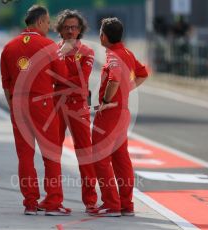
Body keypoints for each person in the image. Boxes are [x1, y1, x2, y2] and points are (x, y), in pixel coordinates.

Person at [0, 5, 71, 216]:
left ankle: (30, 203)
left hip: (18, 104)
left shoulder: (9, 47)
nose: (49, 27)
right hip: (42, 104)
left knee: (25, 155)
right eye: (48, 22)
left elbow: (6, 84)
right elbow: (64, 77)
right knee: (51, 154)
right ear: (39, 22)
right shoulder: (49, 45)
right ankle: (53, 202)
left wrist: (13, 106)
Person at [37, 9, 98, 213]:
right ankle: (53, 199)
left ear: (80, 30)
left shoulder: (87, 51)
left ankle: (90, 200)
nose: (71, 31)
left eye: (74, 27)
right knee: (52, 153)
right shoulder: (52, 50)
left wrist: (60, 77)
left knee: (85, 153)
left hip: (77, 105)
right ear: (60, 30)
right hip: (56, 104)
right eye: (67, 28)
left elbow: (81, 80)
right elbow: (47, 77)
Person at [89, 17, 148, 217]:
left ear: (103, 36)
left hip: (110, 113)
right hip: (123, 111)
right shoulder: (128, 53)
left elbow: (113, 78)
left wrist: (106, 100)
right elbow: (143, 73)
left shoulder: (113, 56)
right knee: (121, 158)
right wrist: (127, 89)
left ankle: (111, 204)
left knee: (101, 158)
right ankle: (125, 203)